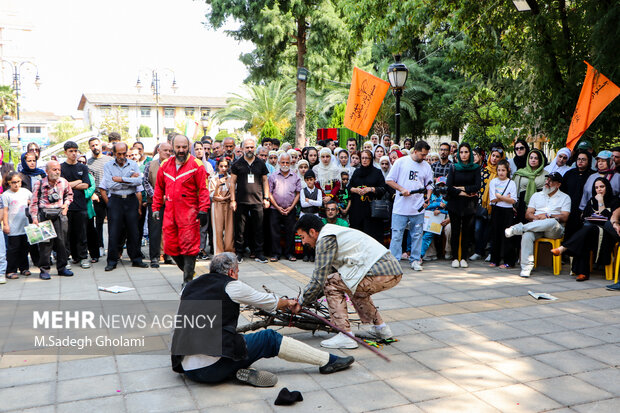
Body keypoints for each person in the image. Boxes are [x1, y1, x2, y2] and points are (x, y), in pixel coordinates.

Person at [171, 252, 354, 386]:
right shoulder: (231, 286)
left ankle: (232, 371)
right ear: (232, 272)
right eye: (238, 271)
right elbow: (266, 301)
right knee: (268, 338)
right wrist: (289, 303)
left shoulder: (189, 287)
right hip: (211, 369)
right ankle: (328, 361)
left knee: (231, 339)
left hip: (187, 369)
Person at [294, 214, 403, 349]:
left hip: (381, 270)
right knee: (349, 284)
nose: (303, 242)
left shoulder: (325, 239)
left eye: (302, 237)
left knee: (330, 283)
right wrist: (310, 298)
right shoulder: (333, 232)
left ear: (312, 232)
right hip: (392, 269)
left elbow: (319, 280)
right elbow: (322, 281)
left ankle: (345, 335)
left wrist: (301, 302)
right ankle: (382, 329)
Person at [153, 134, 210, 286]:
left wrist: (204, 209)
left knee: (189, 248)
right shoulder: (165, 165)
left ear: (188, 147)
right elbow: (158, 188)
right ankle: (189, 272)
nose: (181, 150)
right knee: (170, 247)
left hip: (189, 213)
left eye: (184, 147)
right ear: (172, 147)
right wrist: (156, 208)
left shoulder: (197, 165)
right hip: (170, 212)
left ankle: (187, 281)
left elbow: (203, 189)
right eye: (178, 147)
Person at [551, 178, 619, 281]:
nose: (599, 190)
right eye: (596, 187)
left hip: (608, 234)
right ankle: (582, 273)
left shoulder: (615, 201)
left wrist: (600, 202)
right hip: (592, 234)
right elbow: (584, 217)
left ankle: (564, 248)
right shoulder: (591, 201)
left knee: (588, 231)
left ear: (607, 187)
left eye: (602, 187)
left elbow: (608, 218)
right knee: (585, 235)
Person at [504, 172, 571, 278]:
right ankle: (526, 267)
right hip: (537, 227)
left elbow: (565, 217)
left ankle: (518, 228)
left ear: (558, 185)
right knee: (527, 235)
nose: (547, 182)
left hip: (554, 231)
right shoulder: (536, 195)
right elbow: (528, 214)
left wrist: (548, 215)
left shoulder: (565, 197)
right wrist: (538, 217)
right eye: (547, 180)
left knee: (552, 221)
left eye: (551, 181)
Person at [99, 142, 148, 271]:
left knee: (134, 231)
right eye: (119, 154)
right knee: (114, 231)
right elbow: (110, 185)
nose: (121, 156)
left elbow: (138, 181)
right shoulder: (108, 166)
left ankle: (136, 259)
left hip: (131, 200)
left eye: (123, 153)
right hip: (115, 200)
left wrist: (120, 179)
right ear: (114, 153)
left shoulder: (132, 164)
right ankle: (112, 261)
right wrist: (129, 179)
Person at [386, 140, 433, 271]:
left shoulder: (426, 166)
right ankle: (394, 261)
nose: (424, 158)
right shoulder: (401, 162)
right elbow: (389, 180)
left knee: (417, 234)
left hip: (417, 207)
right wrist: (401, 189)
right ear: (415, 151)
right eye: (422, 155)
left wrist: (428, 195)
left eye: (426, 155)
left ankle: (415, 259)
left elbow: (429, 184)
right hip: (400, 207)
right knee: (397, 234)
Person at [29, 161, 74, 279]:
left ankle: (62, 268)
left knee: (62, 243)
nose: (57, 171)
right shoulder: (39, 183)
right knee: (45, 244)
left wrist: (66, 205)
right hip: (44, 215)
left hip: (60, 214)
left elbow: (69, 195)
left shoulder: (64, 182)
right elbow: (33, 203)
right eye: (54, 169)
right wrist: (34, 218)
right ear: (47, 171)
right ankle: (44, 270)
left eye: (58, 169)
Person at [230, 138, 270, 263]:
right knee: (240, 229)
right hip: (241, 200)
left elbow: (265, 181)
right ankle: (239, 253)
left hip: (257, 200)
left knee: (258, 228)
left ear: (254, 148)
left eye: (251, 147)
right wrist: (232, 200)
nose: (249, 149)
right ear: (242, 149)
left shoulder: (260, 163)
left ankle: (259, 253)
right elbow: (232, 182)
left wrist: (266, 198)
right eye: (247, 147)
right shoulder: (237, 164)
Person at [446, 142, 481, 268]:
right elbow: (449, 187)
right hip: (455, 204)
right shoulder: (454, 167)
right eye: (461, 152)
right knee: (455, 231)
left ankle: (464, 258)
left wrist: (461, 188)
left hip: (469, 205)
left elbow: (477, 186)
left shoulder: (476, 168)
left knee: (466, 232)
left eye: (466, 152)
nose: (464, 154)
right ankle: (455, 257)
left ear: (470, 153)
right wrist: (463, 193)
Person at [61, 141, 92, 269]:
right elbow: (61, 186)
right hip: (66, 206)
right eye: (71, 151)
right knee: (66, 234)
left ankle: (83, 257)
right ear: (65, 152)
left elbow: (86, 185)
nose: (74, 154)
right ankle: (67, 258)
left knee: (82, 233)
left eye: (75, 151)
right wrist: (77, 182)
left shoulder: (83, 167)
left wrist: (70, 184)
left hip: (80, 205)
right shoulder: (61, 167)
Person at [348, 150, 387, 243]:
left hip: (371, 210)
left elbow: (383, 189)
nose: (364, 160)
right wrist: (355, 190)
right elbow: (349, 186)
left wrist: (371, 189)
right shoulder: (357, 172)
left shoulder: (377, 172)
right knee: (357, 233)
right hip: (357, 209)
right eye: (362, 158)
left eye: (367, 158)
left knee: (371, 234)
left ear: (371, 159)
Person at [472, 147, 504, 261]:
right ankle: (478, 251)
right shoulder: (483, 170)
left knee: (491, 231)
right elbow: (478, 188)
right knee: (478, 230)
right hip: (482, 205)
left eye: (497, 157)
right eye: (493, 156)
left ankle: (491, 252)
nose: (494, 159)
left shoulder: (502, 172)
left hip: (496, 205)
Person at [144, 143, 173, 267]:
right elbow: (145, 182)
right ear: (158, 151)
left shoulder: (175, 166)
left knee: (169, 230)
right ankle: (154, 257)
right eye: (165, 150)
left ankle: (168, 256)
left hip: (171, 203)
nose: (168, 153)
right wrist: (157, 195)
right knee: (155, 231)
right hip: (155, 203)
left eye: (170, 151)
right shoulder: (150, 165)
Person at [268, 152, 301, 262]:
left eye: (287, 162)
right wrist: (277, 207)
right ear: (279, 162)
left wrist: (291, 207)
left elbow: (298, 194)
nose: (285, 164)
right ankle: (275, 254)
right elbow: (269, 193)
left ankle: (289, 253)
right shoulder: (273, 176)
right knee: (275, 232)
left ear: (291, 163)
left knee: (290, 232)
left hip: (290, 209)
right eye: (283, 162)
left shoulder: (295, 177)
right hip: (275, 209)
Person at [2, 172, 32, 279]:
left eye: (18, 182)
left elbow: (33, 202)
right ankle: (11, 270)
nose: (16, 185)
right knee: (13, 249)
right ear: (9, 183)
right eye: (13, 182)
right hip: (13, 227)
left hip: (25, 225)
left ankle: (24, 268)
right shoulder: (6, 195)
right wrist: (5, 225)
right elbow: (5, 211)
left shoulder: (25, 192)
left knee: (24, 248)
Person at [86, 137, 113, 258]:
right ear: (90, 147)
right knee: (99, 223)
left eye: (96, 144)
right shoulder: (89, 163)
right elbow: (89, 181)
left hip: (111, 195)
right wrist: (92, 194)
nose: (95, 147)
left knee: (114, 222)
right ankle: (100, 246)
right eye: (92, 145)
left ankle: (113, 247)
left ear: (101, 145)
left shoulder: (110, 159)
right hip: (97, 196)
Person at [488, 160, 517, 268]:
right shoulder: (493, 182)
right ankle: (494, 259)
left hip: (508, 211)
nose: (501, 173)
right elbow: (492, 199)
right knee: (495, 234)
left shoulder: (511, 183)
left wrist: (499, 196)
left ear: (508, 171)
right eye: (499, 170)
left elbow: (513, 200)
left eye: (503, 170)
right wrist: (505, 198)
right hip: (496, 210)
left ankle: (509, 261)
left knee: (507, 235)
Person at [560, 150, 594, 240]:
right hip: (569, 208)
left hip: (585, 210)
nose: (580, 161)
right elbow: (562, 190)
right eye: (578, 159)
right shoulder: (569, 173)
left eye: (583, 159)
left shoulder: (592, 175)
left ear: (588, 161)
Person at [513, 149, 546, 223]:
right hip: (522, 204)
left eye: (536, 158)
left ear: (540, 160)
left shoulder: (546, 174)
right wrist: (513, 205)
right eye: (531, 158)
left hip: (539, 205)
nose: (533, 160)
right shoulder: (521, 172)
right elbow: (515, 190)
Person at [420, 176, 449, 261]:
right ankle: (426, 254)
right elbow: (426, 207)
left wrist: (441, 211)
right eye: (439, 185)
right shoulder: (432, 195)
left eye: (443, 185)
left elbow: (452, 211)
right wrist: (437, 205)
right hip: (433, 218)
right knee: (427, 233)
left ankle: (421, 255)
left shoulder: (449, 196)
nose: (441, 187)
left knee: (429, 233)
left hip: (446, 218)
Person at [209, 157, 234, 255]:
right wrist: (218, 186)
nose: (223, 168)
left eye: (226, 166)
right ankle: (218, 252)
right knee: (218, 230)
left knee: (229, 229)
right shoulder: (213, 179)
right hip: (217, 206)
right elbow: (212, 196)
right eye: (221, 166)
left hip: (228, 205)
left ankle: (229, 251)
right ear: (218, 166)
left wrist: (228, 198)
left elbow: (233, 191)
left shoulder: (231, 178)